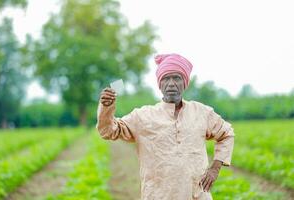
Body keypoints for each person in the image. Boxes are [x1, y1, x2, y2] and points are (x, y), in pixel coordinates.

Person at [96, 53, 234, 200]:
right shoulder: (143, 116)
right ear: (160, 84)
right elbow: (109, 131)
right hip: (158, 195)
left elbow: (226, 133)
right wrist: (106, 107)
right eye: (166, 78)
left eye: (177, 78)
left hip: (197, 194)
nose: (171, 83)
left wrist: (215, 169)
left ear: (185, 83)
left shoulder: (201, 112)